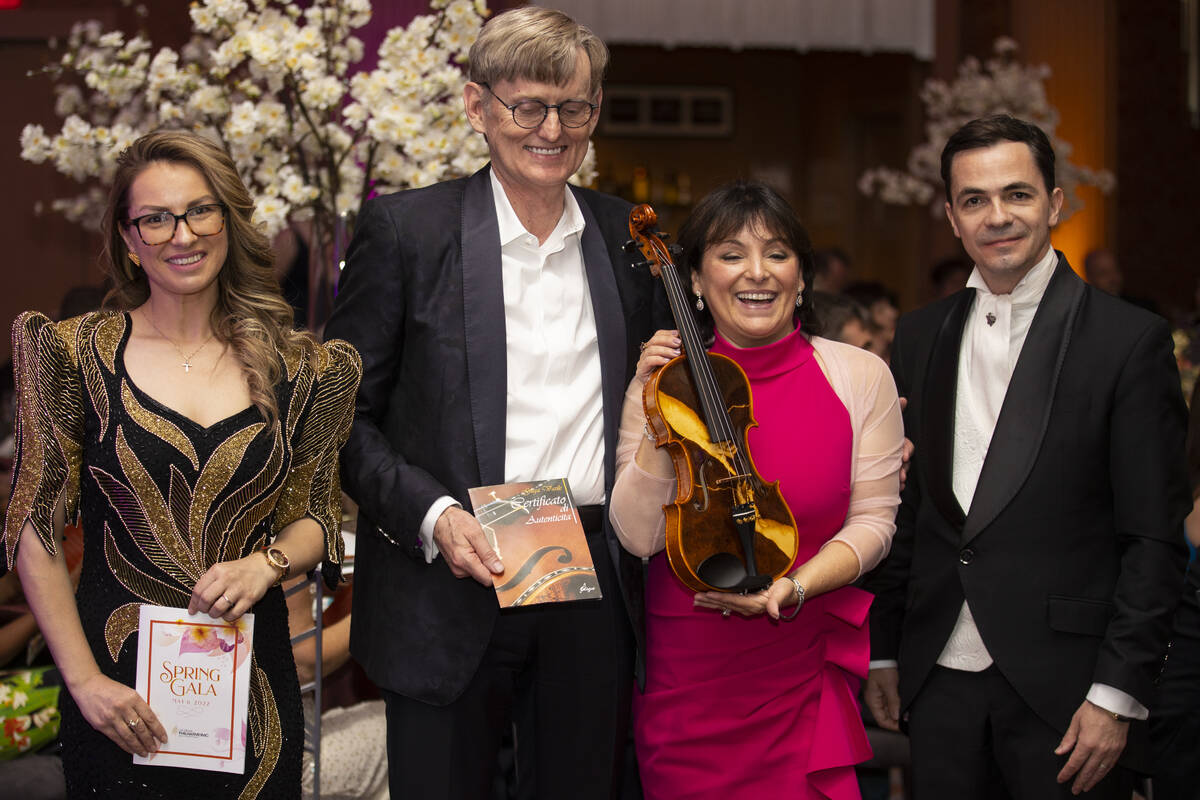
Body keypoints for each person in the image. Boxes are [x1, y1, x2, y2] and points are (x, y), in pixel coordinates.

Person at [322, 8, 661, 798]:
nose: (551, 128)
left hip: (590, 576)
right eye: (527, 106)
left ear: (594, 112)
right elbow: (343, 419)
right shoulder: (408, 232)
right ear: (477, 108)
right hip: (448, 572)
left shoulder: (629, 238)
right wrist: (433, 514)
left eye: (573, 107)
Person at [3, 129, 361, 797]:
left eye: (200, 210)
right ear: (129, 238)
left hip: (253, 698)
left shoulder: (302, 367)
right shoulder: (74, 354)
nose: (181, 234)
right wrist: (82, 683)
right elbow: (35, 527)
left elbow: (316, 514)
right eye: (155, 218)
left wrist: (268, 564)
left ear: (228, 219)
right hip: (116, 694)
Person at [863, 115, 1189, 799]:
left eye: (1018, 194)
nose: (997, 217)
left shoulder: (1128, 341)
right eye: (974, 200)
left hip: (1070, 692)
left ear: (1055, 203)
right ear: (951, 217)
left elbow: (1152, 537)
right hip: (939, 678)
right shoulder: (921, 335)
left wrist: (1117, 692)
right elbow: (914, 507)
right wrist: (886, 648)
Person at [609, 180, 904, 798]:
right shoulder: (661, 382)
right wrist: (664, 405)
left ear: (801, 278)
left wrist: (792, 588)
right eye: (730, 253)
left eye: (777, 253)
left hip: (799, 658)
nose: (757, 272)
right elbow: (636, 538)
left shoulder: (860, 375)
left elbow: (875, 524)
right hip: (688, 673)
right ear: (693, 280)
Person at [844, 281, 900, 363]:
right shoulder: (858, 362)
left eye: (890, 306)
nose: (894, 314)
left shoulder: (896, 357)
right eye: (880, 310)